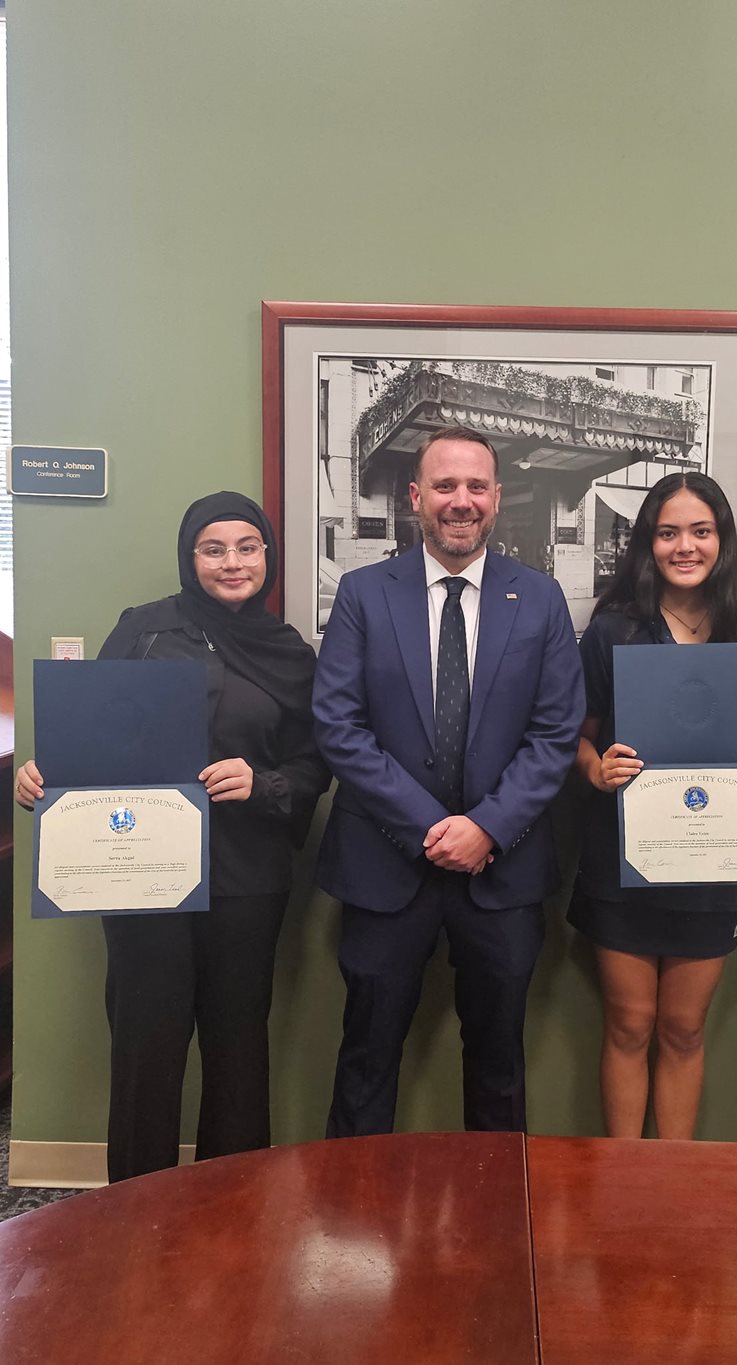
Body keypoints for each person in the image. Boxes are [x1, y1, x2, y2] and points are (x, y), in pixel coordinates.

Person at [16, 492, 329, 1181]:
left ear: (268, 556)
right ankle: (132, 1210)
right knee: (144, 1046)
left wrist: (263, 782)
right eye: (213, 548)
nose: (233, 562)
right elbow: (93, 733)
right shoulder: (143, 629)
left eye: (248, 546)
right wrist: (44, 776)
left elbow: (316, 765)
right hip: (140, 875)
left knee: (237, 1047)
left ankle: (230, 1205)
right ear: (191, 558)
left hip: (246, 876)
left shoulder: (290, 653)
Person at [314, 425, 584, 1137]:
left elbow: (555, 732)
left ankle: (494, 1224)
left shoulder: (542, 598)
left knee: (498, 1062)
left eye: (474, 487)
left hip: (503, 873)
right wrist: (433, 828)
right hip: (384, 864)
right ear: (416, 497)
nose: (459, 501)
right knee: (367, 1056)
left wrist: (487, 826)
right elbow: (339, 725)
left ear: (496, 498)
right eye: (444, 486)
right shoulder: (363, 594)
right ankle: (353, 1224)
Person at [571, 472, 737, 1139]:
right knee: (631, 1022)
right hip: (625, 861)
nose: (684, 546)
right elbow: (576, 741)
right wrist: (596, 768)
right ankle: (623, 1174)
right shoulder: (613, 632)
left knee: (684, 1027)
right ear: (648, 543)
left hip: (713, 864)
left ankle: (673, 1181)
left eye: (701, 531)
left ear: (721, 541)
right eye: (668, 532)